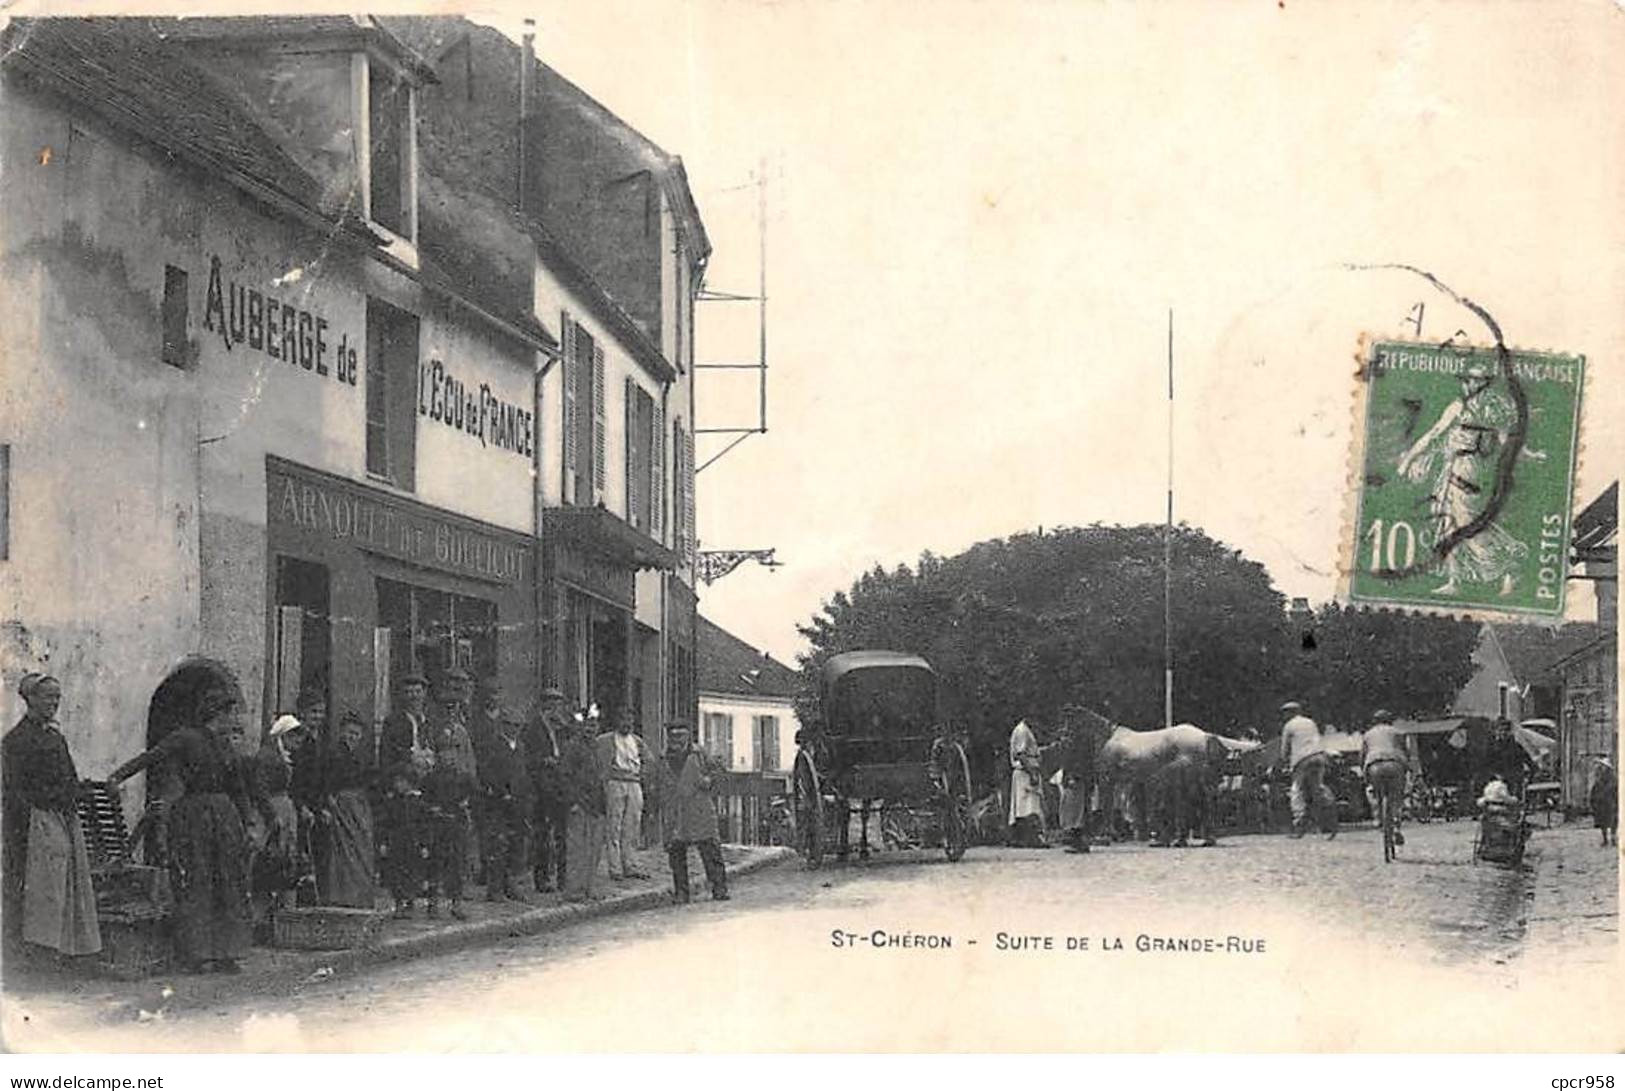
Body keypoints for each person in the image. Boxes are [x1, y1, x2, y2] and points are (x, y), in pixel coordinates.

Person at [109, 680, 253, 973]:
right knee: (197, 880)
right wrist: (117, 776)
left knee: (228, 881)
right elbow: (153, 756)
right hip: (195, 817)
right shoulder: (185, 738)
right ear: (216, 714)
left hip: (225, 819)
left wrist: (247, 821)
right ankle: (197, 954)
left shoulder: (226, 747)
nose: (233, 720)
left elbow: (239, 788)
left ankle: (226, 953)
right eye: (229, 713)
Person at [1396, 363, 1541, 596]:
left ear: (1483, 384)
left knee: (1467, 522)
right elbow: (1434, 435)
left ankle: (1511, 562)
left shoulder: (1492, 409)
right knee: (1448, 522)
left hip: (1474, 470)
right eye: (1466, 380)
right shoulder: (1459, 407)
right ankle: (1456, 581)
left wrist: (1529, 454)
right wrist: (1409, 460)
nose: (1467, 385)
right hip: (1455, 467)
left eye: (1473, 381)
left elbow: (1506, 442)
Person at [2, 673, 101, 961]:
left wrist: (74, 794)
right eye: (48, 697)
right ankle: (39, 952)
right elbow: (14, 788)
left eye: (57, 697)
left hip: (63, 817)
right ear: (30, 698)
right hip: (37, 821)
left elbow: (69, 775)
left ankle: (65, 948)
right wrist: (39, 812)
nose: (54, 703)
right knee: (45, 887)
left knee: (67, 882)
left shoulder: (55, 737)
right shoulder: (16, 741)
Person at [377, 670, 435, 917]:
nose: (413, 697)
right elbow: (386, 758)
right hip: (402, 792)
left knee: (426, 845)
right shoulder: (394, 722)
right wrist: (399, 776)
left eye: (418, 692)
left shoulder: (429, 722)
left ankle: (423, 896)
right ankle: (401, 899)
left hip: (427, 791)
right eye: (409, 692)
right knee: (401, 848)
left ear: (424, 694)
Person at [423, 669, 478, 919]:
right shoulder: (432, 730)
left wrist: (467, 799)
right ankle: (433, 901)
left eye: (453, 707)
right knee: (436, 858)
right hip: (437, 810)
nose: (450, 711)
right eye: (446, 707)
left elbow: (469, 768)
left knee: (457, 858)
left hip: (457, 808)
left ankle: (456, 902)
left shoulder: (462, 732)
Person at [246, 714, 309, 926]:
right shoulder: (267, 756)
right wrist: (272, 816)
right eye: (294, 738)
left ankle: (278, 917)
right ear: (283, 736)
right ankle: (257, 918)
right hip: (268, 812)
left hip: (283, 809)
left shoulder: (284, 756)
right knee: (264, 858)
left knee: (283, 860)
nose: (297, 744)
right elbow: (259, 789)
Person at [311, 711, 376, 908]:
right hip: (341, 805)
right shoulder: (333, 754)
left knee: (360, 849)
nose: (352, 737)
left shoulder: (359, 756)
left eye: (356, 734)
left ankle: (357, 894)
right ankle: (344, 894)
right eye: (349, 732)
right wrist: (328, 800)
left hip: (358, 806)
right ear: (341, 732)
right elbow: (324, 781)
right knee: (344, 850)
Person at [658, 723, 728, 903]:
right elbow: (659, 783)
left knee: (710, 850)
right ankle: (681, 892)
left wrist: (709, 780)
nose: (677, 741)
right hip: (675, 810)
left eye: (681, 736)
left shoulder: (700, 754)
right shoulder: (664, 758)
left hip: (699, 808)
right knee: (676, 853)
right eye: (673, 737)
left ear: (688, 737)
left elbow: (718, 770)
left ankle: (719, 888)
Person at [475, 705, 533, 902]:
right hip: (498, 803)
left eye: (518, 725)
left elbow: (523, 774)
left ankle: (511, 885)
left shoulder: (522, 747)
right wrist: (500, 791)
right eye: (510, 725)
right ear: (503, 725)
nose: (514, 729)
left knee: (516, 845)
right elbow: (486, 773)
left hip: (517, 803)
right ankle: (495, 888)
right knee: (498, 845)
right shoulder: (493, 745)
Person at [595, 707, 655, 881]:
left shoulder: (637, 741)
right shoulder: (605, 740)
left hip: (634, 783)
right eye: (623, 719)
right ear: (616, 721)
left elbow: (649, 761)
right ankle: (615, 867)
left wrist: (643, 774)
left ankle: (630, 864)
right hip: (615, 782)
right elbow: (598, 763)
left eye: (630, 720)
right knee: (614, 825)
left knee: (632, 825)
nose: (626, 723)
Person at [559, 708, 607, 902]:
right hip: (578, 803)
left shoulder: (596, 748)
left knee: (594, 850)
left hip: (595, 804)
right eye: (586, 725)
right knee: (577, 849)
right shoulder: (572, 747)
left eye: (594, 725)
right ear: (579, 727)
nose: (590, 729)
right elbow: (564, 776)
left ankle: (589, 888)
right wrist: (572, 801)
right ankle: (574, 891)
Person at [525, 685, 570, 893]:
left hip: (560, 787)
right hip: (541, 786)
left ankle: (563, 877)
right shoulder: (533, 728)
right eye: (550, 704)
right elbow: (527, 757)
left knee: (562, 834)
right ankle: (541, 878)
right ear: (542, 705)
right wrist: (545, 760)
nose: (554, 708)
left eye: (557, 704)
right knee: (542, 834)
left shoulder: (562, 729)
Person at [1277, 701, 1335, 840]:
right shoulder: (1310, 722)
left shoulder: (1289, 725)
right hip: (1319, 756)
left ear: (1290, 713)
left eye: (1285, 713)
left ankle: (1299, 822)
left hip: (1302, 759)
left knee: (1296, 790)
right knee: (1317, 788)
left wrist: (1283, 762)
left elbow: (1284, 750)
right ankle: (1329, 811)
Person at [1360, 709, 1411, 847]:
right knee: (1397, 796)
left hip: (1374, 764)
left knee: (1372, 791)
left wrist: (1363, 771)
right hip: (1395, 764)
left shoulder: (1368, 734)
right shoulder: (1398, 732)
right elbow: (1407, 752)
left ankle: (1377, 817)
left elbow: (1363, 755)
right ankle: (1396, 826)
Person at [1057, 706, 1098, 854]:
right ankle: (1079, 840)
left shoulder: (1079, 736)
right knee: (1077, 810)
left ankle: (1079, 841)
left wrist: (1073, 775)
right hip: (1078, 775)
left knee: (1077, 811)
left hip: (1078, 776)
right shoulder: (1078, 735)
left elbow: (1078, 758)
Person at [1007, 719, 1048, 848]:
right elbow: (1021, 754)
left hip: (1027, 770)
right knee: (1028, 807)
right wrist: (1032, 773)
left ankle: (1026, 838)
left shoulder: (1026, 730)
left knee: (1028, 806)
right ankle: (1029, 838)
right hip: (1025, 772)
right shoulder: (1022, 731)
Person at [1485, 717, 1534, 800]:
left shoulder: (1515, 747)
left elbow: (1530, 763)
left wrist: (1528, 779)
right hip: (1497, 786)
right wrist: (1494, 776)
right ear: (1495, 731)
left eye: (1506, 730)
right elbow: (1485, 765)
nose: (1503, 733)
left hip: (1514, 784)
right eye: (1500, 730)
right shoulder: (1491, 747)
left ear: (1510, 732)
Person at [1590, 758, 1617, 847]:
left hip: (1610, 802)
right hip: (1601, 803)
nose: (1601, 767)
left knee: (1613, 821)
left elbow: (1614, 789)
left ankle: (1613, 838)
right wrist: (1593, 799)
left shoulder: (1613, 778)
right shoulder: (1599, 777)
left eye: (1603, 766)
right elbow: (1595, 788)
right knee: (1602, 821)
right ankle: (1605, 839)